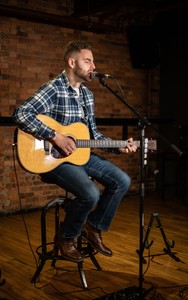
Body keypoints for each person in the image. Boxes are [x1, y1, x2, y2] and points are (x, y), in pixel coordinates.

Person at [13, 40, 137, 262]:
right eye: (88, 61)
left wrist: (117, 146)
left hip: (80, 155)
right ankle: (66, 237)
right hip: (52, 160)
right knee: (90, 193)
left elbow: (92, 136)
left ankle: (92, 227)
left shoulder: (87, 95)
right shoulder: (53, 89)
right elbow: (22, 114)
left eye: (93, 61)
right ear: (72, 62)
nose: (93, 66)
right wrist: (55, 135)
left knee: (122, 180)